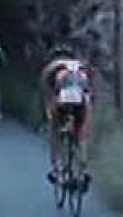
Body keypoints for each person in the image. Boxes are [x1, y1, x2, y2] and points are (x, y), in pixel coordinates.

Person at [40, 46, 93, 189]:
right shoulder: (80, 67)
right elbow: (90, 90)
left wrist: (49, 113)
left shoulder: (50, 68)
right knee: (81, 136)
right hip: (82, 101)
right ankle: (83, 170)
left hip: (62, 101)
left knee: (54, 131)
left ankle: (56, 170)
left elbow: (47, 94)